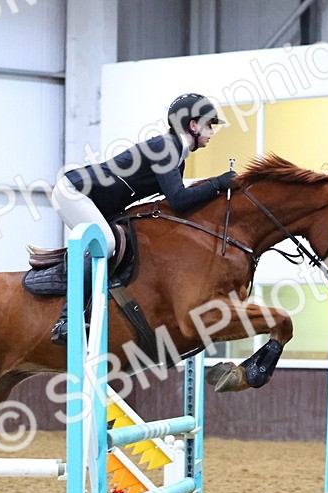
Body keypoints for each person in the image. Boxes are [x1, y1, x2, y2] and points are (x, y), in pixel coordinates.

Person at [49, 92, 236, 345]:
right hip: (74, 192)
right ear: (193, 125)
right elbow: (179, 199)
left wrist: (218, 186)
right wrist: (218, 183)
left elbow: (178, 201)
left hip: (98, 200)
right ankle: (67, 320)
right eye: (209, 125)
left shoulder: (175, 154)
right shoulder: (166, 147)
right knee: (106, 241)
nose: (212, 132)